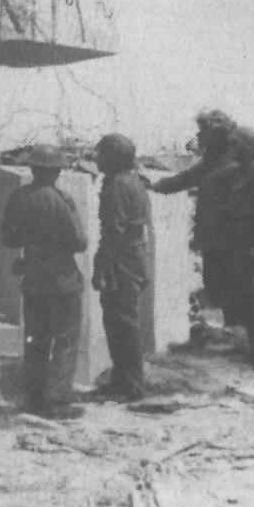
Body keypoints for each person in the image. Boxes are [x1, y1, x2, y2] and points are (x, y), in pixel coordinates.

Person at [1, 144, 88, 419]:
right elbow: (79, 241)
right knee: (65, 339)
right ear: (56, 171)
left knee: (36, 338)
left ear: (33, 168)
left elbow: (8, 238)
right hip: (62, 278)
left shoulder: (18, 198)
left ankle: (35, 397)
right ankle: (58, 400)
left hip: (34, 276)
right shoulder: (62, 199)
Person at [150, 110, 239, 317]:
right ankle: (236, 335)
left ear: (216, 134)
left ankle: (244, 338)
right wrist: (155, 185)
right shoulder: (212, 161)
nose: (198, 136)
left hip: (231, 239)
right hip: (214, 238)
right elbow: (184, 179)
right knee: (219, 288)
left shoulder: (232, 164)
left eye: (203, 131)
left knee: (232, 289)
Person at [91, 134, 152, 400]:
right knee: (122, 322)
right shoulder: (134, 180)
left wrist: (99, 267)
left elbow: (114, 232)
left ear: (112, 158)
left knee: (122, 323)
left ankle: (130, 386)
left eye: (101, 154)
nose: (97, 158)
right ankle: (124, 380)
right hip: (134, 257)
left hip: (122, 260)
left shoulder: (117, 185)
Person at [220, 126, 254, 371]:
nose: (230, 147)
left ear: (245, 149)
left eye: (234, 144)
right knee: (251, 301)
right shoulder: (242, 172)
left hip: (253, 249)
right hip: (242, 247)